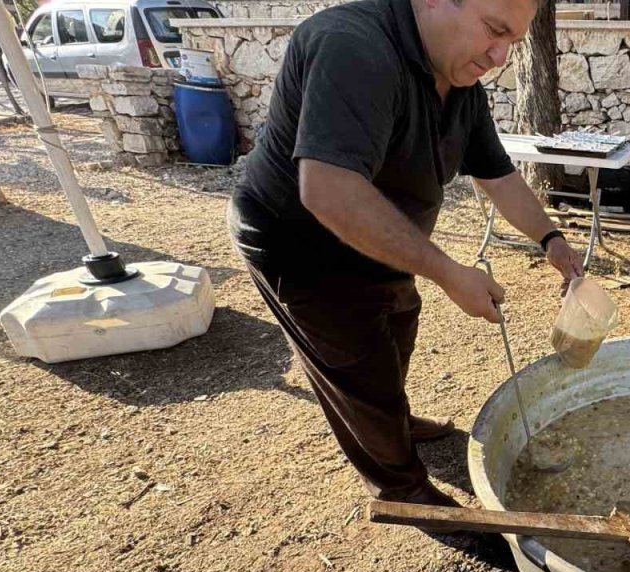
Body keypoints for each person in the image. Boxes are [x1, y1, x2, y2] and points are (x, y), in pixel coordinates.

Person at [227, 0, 584, 507]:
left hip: (385, 244)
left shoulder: (460, 83)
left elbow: (499, 176)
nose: (501, 56)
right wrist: (446, 271)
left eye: (514, 41)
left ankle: (392, 417)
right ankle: (402, 490)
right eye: (493, 30)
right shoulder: (352, 46)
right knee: (357, 365)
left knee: (398, 329)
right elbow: (328, 190)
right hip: (303, 245)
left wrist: (552, 240)